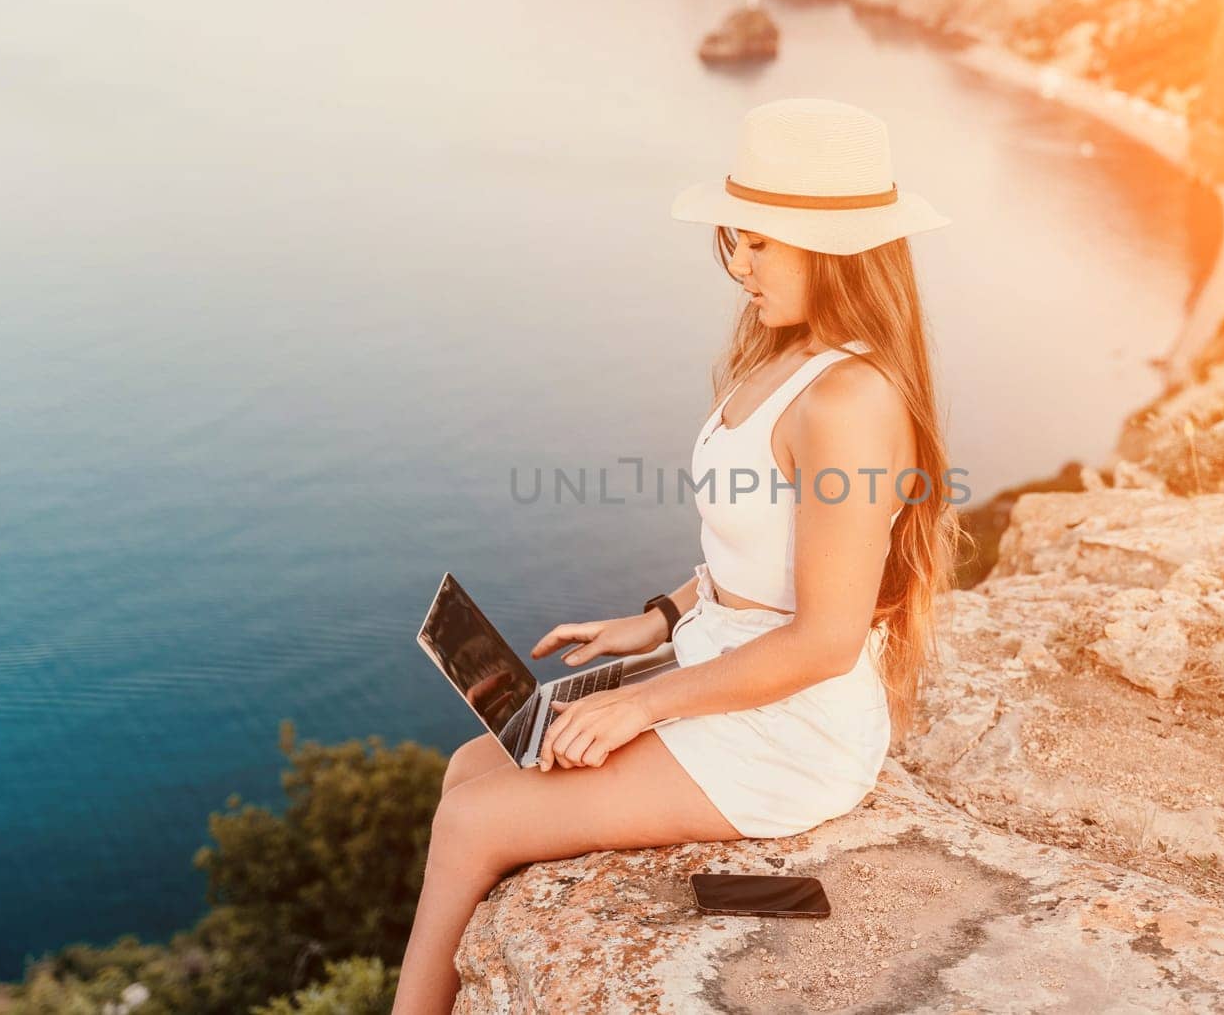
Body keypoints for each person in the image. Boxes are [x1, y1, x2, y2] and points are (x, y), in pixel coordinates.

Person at [393, 97, 963, 1013]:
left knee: (473, 817)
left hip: (791, 727)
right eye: (735, 240)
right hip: (720, 669)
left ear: (834, 243)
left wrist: (639, 704)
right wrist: (659, 616)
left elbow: (824, 638)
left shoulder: (849, 399)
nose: (738, 262)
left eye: (761, 242)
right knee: (468, 767)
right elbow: (762, 545)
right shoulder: (786, 355)